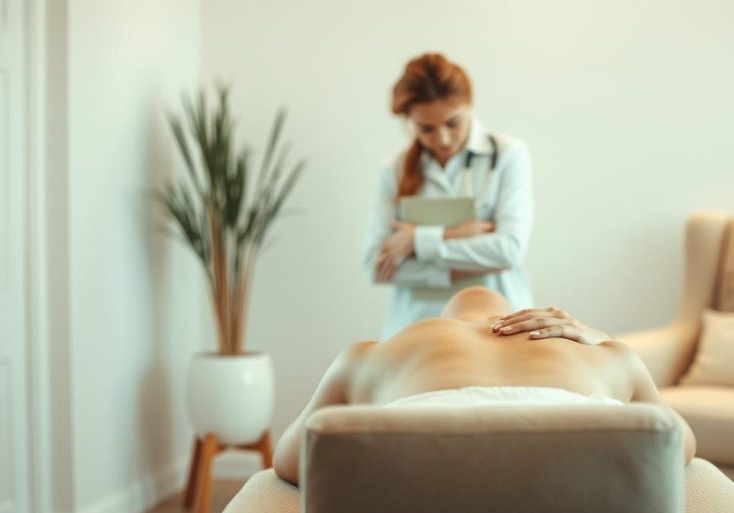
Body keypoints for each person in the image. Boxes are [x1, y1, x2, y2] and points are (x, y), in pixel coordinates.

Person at [274, 287, 696, 486]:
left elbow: (293, 459)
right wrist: (600, 336)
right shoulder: (602, 350)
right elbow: (681, 443)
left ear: (443, 322)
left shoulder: (376, 351)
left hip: (426, 434)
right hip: (577, 434)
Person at [364, 53, 534, 339]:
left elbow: (509, 250)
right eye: (426, 129)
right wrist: (460, 239)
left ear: (469, 104)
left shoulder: (508, 155)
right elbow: (376, 266)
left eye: (453, 123)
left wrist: (416, 240)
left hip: (499, 329)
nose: (442, 139)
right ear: (409, 121)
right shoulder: (392, 170)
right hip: (416, 332)